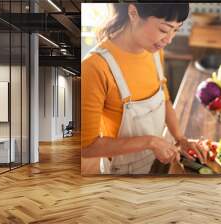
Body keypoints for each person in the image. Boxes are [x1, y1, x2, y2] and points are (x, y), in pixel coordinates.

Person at [81, 3, 206, 174]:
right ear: (133, 12)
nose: (169, 39)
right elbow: (88, 147)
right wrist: (151, 142)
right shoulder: (95, 67)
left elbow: (164, 98)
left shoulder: (154, 50)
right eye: (164, 29)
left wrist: (180, 138)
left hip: (155, 162)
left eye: (175, 30)